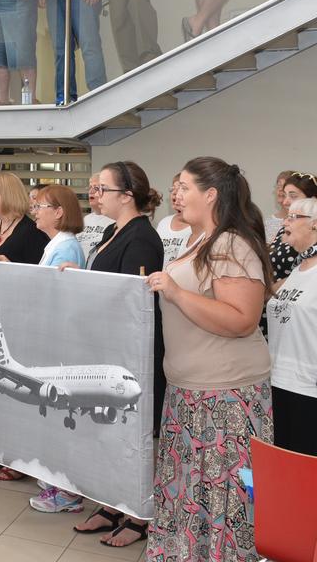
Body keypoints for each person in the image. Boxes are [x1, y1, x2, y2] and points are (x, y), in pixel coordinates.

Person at [146, 157, 274, 561]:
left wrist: (177, 293)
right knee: (192, 493)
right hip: (189, 392)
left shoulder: (230, 243)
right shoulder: (198, 240)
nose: (176, 194)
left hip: (224, 397)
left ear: (211, 194)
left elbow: (241, 319)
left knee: (224, 496)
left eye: (184, 187)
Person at [70, 160, 163, 548]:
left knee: (131, 437)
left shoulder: (142, 237)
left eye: (102, 189)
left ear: (127, 195)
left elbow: (131, 303)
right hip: (103, 347)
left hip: (128, 354)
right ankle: (112, 503)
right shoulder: (111, 230)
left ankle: (138, 515)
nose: (96, 196)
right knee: (106, 434)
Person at [0, 171, 49, 479]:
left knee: (18, 390)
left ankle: (19, 457)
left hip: (20, 317)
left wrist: (13, 268)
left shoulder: (32, 232)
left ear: (8, 195)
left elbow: (40, 278)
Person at [26, 184, 86, 514]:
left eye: (41, 206)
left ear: (59, 212)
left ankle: (66, 491)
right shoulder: (57, 245)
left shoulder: (66, 249)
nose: (36, 211)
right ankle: (57, 481)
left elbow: (56, 298)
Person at [266, 196, 317, 456]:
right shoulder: (298, 267)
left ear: (315, 225)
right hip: (278, 381)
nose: (285, 220)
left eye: (294, 216)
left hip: (308, 389)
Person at [270, 171, 317, 286]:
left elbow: (305, 275)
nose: (285, 202)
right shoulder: (285, 228)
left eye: (293, 196)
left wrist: (268, 294)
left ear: (313, 200)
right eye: (285, 195)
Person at [155, 173, 196, 266]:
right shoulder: (164, 222)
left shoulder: (197, 225)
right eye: (172, 189)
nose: (174, 193)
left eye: (181, 189)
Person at [76, 172, 114, 260]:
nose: (90, 192)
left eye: (96, 188)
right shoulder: (85, 219)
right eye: (89, 188)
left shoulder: (114, 220)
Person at [264, 169, 294, 244]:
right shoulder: (268, 222)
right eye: (278, 186)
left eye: (284, 186)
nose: (280, 189)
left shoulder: (302, 221)